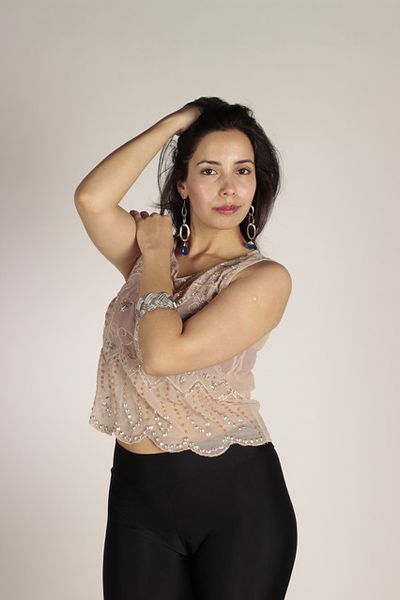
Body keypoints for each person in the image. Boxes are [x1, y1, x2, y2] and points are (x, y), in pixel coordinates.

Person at [74, 97, 298, 600]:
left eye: (243, 170)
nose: (228, 188)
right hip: (137, 497)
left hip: (235, 501)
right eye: (209, 170)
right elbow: (91, 198)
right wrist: (176, 123)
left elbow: (163, 356)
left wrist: (156, 253)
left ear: (257, 182)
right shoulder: (146, 253)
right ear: (182, 184)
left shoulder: (263, 278)